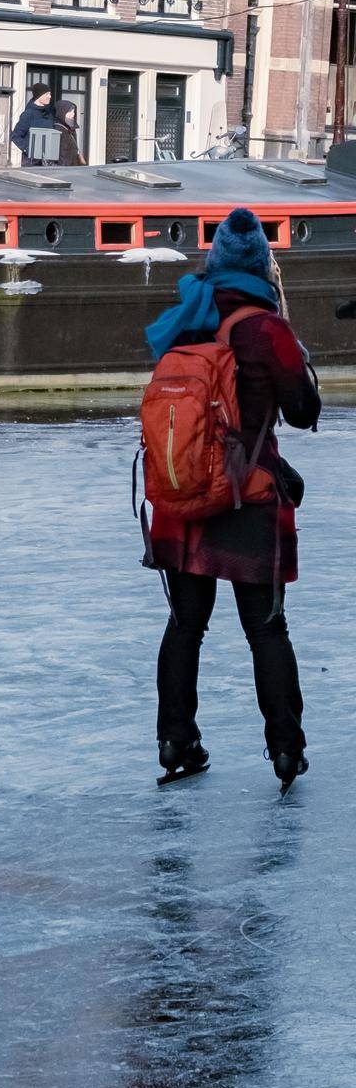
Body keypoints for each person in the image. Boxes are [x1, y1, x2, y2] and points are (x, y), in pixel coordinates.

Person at [143, 207, 320, 791]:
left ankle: (177, 741)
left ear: (215, 259)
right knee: (266, 629)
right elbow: (302, 412)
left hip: (180, 494)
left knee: (184, 626)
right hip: (246, 498)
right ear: (262, 266)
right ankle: (286, 751)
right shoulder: (266, 329)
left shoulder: (187, 314)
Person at [10, 83, 57, 167]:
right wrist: (28, 149)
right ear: (39, 95)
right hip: (31, 163)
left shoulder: (49, 114)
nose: (50, 96)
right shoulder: (28, 114)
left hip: (48, 162)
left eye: (50, 94)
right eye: (47, 94)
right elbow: (15, 136)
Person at [54, 101, 87, 166]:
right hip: (64, 170)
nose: (73, 114)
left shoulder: (71, 129)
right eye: (69, 112)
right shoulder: (58, 130)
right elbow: (61, 154)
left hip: (72, 168)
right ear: (62, 112)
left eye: (73, 111)